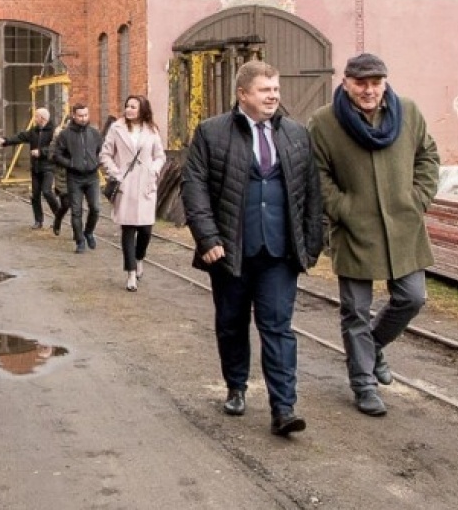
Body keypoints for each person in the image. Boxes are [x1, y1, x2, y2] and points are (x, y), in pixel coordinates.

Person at [181, 61, 324, 437]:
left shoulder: (296, 134)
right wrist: (208, 238)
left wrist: (311, 243)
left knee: (277, 327)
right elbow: (194, 188)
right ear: (242, 94)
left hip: (279, 252)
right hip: (230, 251)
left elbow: (312, 190)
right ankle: (236, 386)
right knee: (231, 323)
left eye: (275, 89)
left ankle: (284, 408)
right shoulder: (212, 132)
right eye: (265, 90)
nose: (273, 96)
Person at [309, 52, 440, 418]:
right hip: (355, 229)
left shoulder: (408, 112)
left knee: (412, 298)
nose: (369, 90)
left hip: (403, 225)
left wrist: (417, 199)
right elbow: (317, 175)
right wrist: (343, 209)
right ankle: (363, 384)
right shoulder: (324, 122)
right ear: (346, 83)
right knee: (355, 310)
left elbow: (428, 157)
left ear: (385, 82)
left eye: (375, 83)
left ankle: (374, 346)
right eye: (361, 83)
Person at [99, 95, 167, 292]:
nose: (128, 109)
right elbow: (105, 154)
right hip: (125, 184)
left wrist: (154, 170)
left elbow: (160, 156)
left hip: (146, 184)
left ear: (142, 110)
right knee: (128, 229)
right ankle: (130, 273)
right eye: (127, 106)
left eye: (133, 107)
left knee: (145, 229)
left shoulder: (151, 130)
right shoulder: (117, 128)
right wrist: (116, 172)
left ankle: (139, 258)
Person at [0, 107, 62, 229]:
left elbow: (56, 148)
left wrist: (41, 152)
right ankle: (38, 221)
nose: (34, 118)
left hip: (48, 167)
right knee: (35, 195)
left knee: (47, 191)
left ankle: (59, 216)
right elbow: (21, 137)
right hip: (36, 168)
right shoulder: (34, 131)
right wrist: (5, 141)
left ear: (42, 118)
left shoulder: (54, 132)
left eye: (36, 116)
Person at [51, 103, 103, 253]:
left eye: (85, 115)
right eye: (80, 116)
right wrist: (71, 164)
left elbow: (101, 150)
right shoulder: (65, 135)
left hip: (92, 176)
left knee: (95, 208)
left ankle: (88, 232)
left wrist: (97, 162)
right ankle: (80, 241)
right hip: (74, 177)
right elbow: (57, 155)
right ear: (74, 115)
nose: (83, 118)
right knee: (76, 210)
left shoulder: (94, 133)